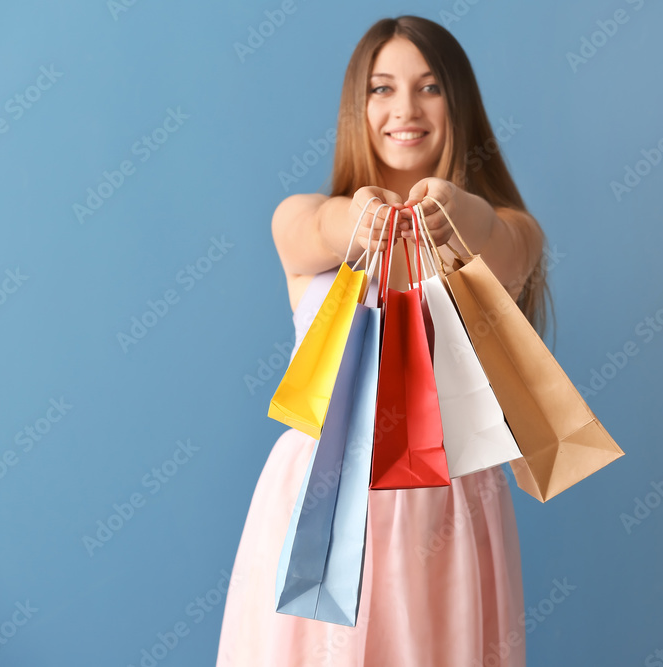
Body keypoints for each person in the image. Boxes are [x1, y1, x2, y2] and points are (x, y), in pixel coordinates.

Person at [215, 15, 549, 667]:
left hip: (447, 511)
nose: (405, 108)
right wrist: (360, 219)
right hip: (315, 502)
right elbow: (314, 227)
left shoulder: (509, 232)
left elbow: (500, 244)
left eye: (429, 88)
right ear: (356, 105)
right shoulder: (301, 219)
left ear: (459, 103)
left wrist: (457, 208)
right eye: (381, 88)